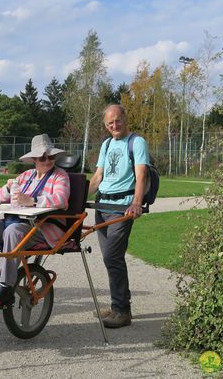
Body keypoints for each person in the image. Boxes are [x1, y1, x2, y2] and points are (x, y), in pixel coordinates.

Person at [0, 134, 70, 308]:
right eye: (42, 157)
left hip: (45, 227)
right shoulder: (26, 176)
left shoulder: (60, 176)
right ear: (34, 159)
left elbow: (61, 199)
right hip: (21, 224)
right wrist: (8, 188)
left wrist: (32, 201)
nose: (47, 160)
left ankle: (6, 287)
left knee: (13, 230)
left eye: (51, 156)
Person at [88, 104, 149, 329]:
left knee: (112, 257)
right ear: (106, 125)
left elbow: (141, 175)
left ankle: (122, 311)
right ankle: (118, 305)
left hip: (122, 207)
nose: (114, 125)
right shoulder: (106, 144)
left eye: (118, 120)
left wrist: (136, 202)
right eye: (110, 123)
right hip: (102, 206)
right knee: (110, 259)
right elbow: (97, 177)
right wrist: (75, 197)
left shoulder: (137, 142)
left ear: (125, 118)